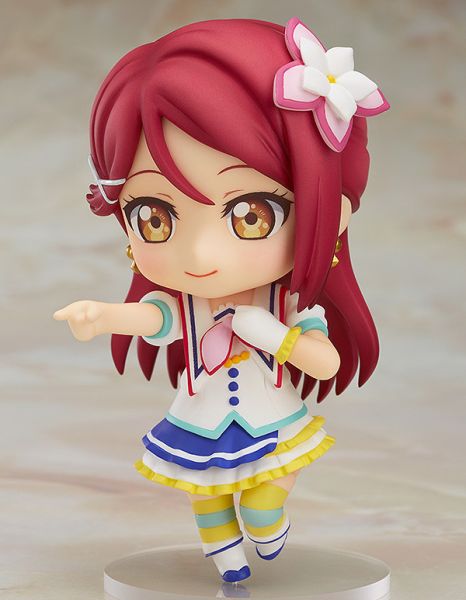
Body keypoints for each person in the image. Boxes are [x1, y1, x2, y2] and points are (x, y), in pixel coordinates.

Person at [53, 17, 389, 583]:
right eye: (154, 217)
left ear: (333, 213)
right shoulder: (188, 308)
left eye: (251, 215)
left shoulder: (285, 305)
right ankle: (227, 562)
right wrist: (103, 315)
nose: (200, 253)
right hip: (199, 416)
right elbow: (153, 318)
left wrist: (275, 335)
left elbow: (324, 362)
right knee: (206, 495)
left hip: (270, 416)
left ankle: (265, 520)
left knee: (265, 489)